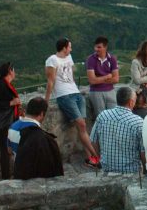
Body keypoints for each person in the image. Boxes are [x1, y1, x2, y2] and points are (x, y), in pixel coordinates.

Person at [45, 38, 99, 168]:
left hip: (76, 94)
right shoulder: (52, 60)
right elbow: (50, 81)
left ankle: (90, 159)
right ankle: (96, 157)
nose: (71, 49)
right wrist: (46, 101)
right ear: (64, 47)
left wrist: (76, 89)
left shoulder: (69, 58)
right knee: (81, 124)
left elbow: (71, 76)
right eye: (69, 47)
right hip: (64, 96)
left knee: (82, 127)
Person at [90, 87, 146, 173]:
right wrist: (146, 172)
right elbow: (143, 152)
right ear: (131, 102)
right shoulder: (138, 122)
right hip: (131, 172)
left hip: (106, 169)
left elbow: (93, 141)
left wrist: (99, 160)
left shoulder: (102, 115)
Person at [14, 97, 64, 180]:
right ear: (41, 114)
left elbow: (9, 151)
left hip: (20, 174)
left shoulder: (13, 127)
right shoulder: (46, 140)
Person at [0, 62, 22, 179]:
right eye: (14, 70)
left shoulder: (5, 84)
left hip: (5, 122)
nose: (15, 72)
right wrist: (11, 102)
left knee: (7, 150)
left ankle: (8, 175)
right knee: (5, 150)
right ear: (10, 72)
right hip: (1, 124)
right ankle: (6, 177)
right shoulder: (1, 85)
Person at [86, 36, 119, 118]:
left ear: (105, 47)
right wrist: (107, 76)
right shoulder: (90, 59)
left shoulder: (112, 59)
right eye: (95, 47)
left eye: (99, 47)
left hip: (110, 91)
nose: (96, 49)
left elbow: (116, 79)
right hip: (96, 92)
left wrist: (98, 80)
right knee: (101, 117)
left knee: (114, 116)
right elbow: (92, 81)